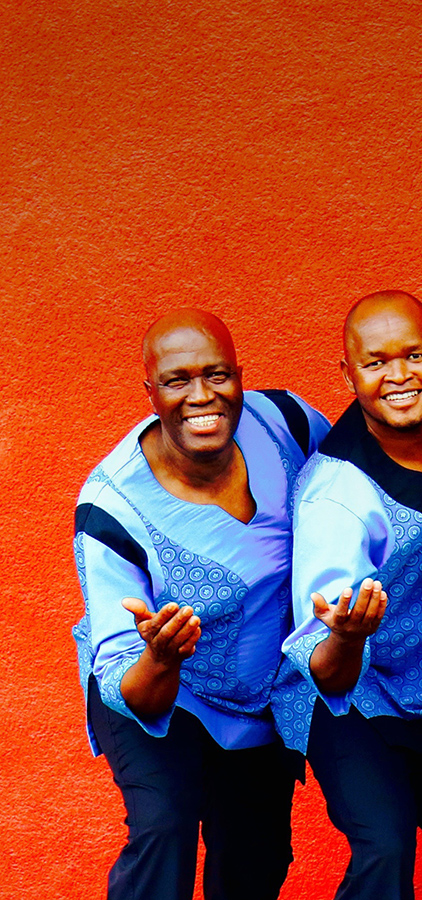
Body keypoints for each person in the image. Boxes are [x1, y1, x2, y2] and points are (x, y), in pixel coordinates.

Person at [72, 309, 328, 900]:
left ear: (241, 376)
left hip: (261, 695)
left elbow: (351, 477)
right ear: (151, 393)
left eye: (217, 375)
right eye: (178, 380)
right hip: (157, 687)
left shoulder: (285, 421)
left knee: (256, 855)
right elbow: (128, 688)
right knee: (166, 828)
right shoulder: (111, 510)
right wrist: (162, 657)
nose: (201, 396)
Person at [272, 291, 422, 899]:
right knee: (384, 849)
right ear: (348, 373)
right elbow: (324, 671)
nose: (399, 376)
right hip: (354, 693)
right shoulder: (337, 499)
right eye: (376, 362)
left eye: (413, 355)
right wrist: (347, 636)